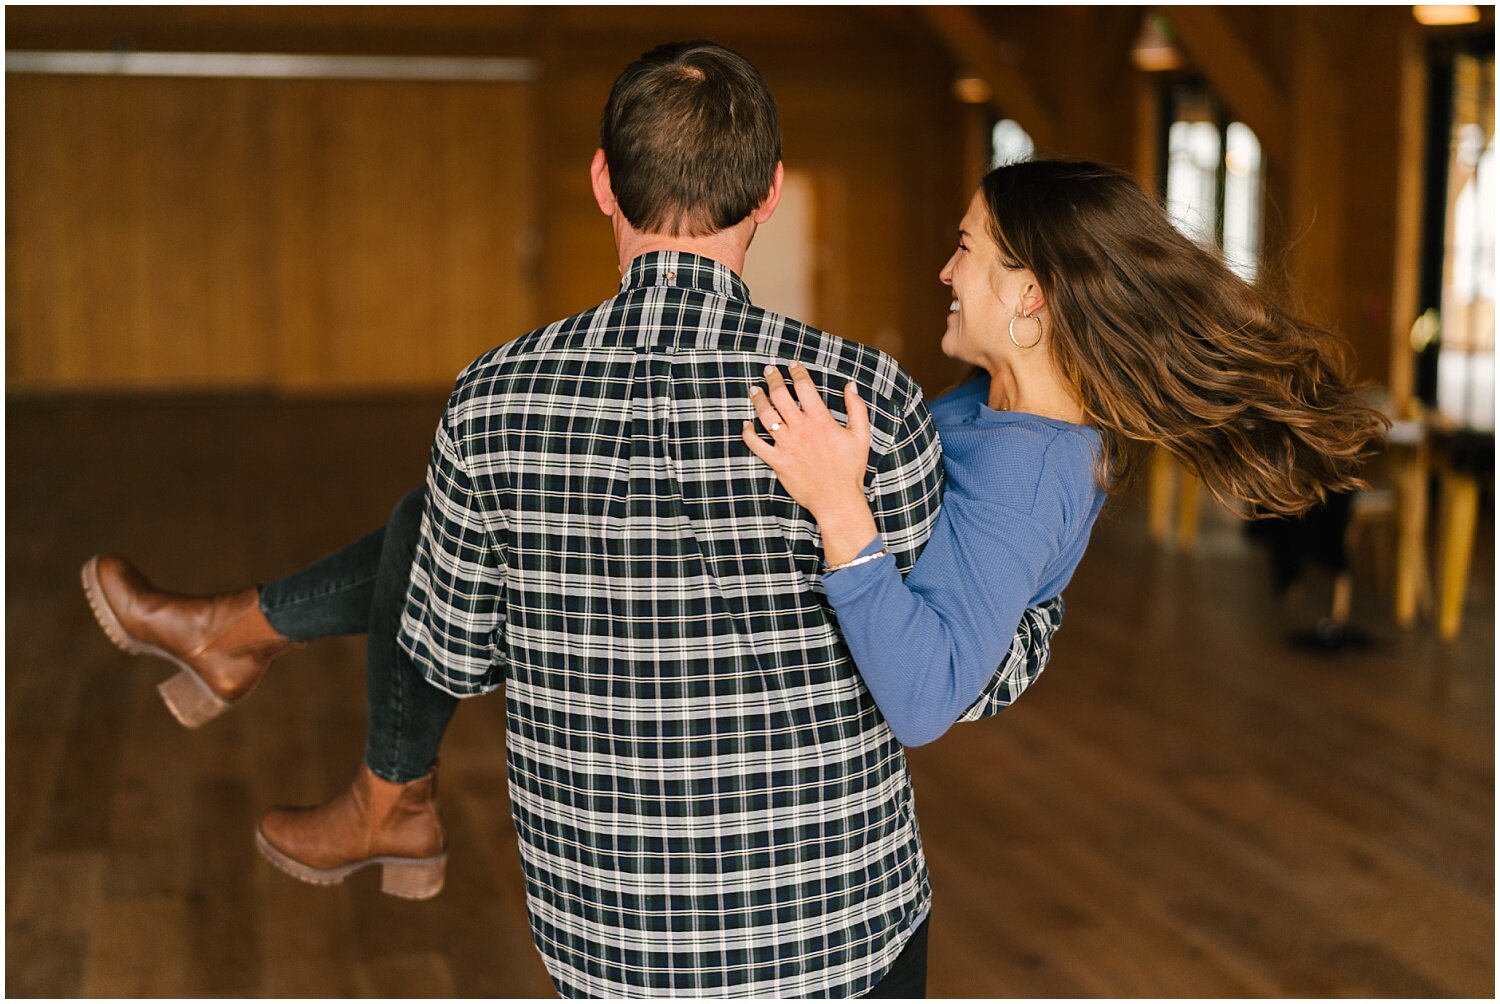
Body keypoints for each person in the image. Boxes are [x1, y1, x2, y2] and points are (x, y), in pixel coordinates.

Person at [81, 40, 1066, 998]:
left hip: (606, 943)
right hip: (840, 930)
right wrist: (1038, 610)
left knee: (425, 530)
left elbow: (452, 653)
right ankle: (243, 642)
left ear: (604, 182)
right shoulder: (866, 397)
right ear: (767, 192)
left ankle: (260, 658)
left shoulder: (492, 398)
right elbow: (947, 672)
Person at [739, 158, 1385, 745]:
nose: (945, 272)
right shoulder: (995, 406)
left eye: (964, 248)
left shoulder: (1029, 474)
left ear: (1030, 294)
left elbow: (923, 698)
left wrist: (835, 501)